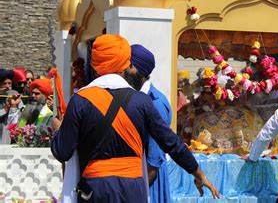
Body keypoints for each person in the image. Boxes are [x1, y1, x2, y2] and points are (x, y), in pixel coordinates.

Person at [51, 34, 220, 202]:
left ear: (95, 65)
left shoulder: (80, 101)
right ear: (126, 64)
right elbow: (171, 143)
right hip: (133, 190)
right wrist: (199, 174)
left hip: (96, 190)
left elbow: (62, 152)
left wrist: (59, 129)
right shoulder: (142, 101)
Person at [128, 44, 173, 203]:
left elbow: (154, 160)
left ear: (135, 68)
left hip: (149, 181)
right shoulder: (139, 97)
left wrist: (134, 195)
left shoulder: (155, 102)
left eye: (126, 65)